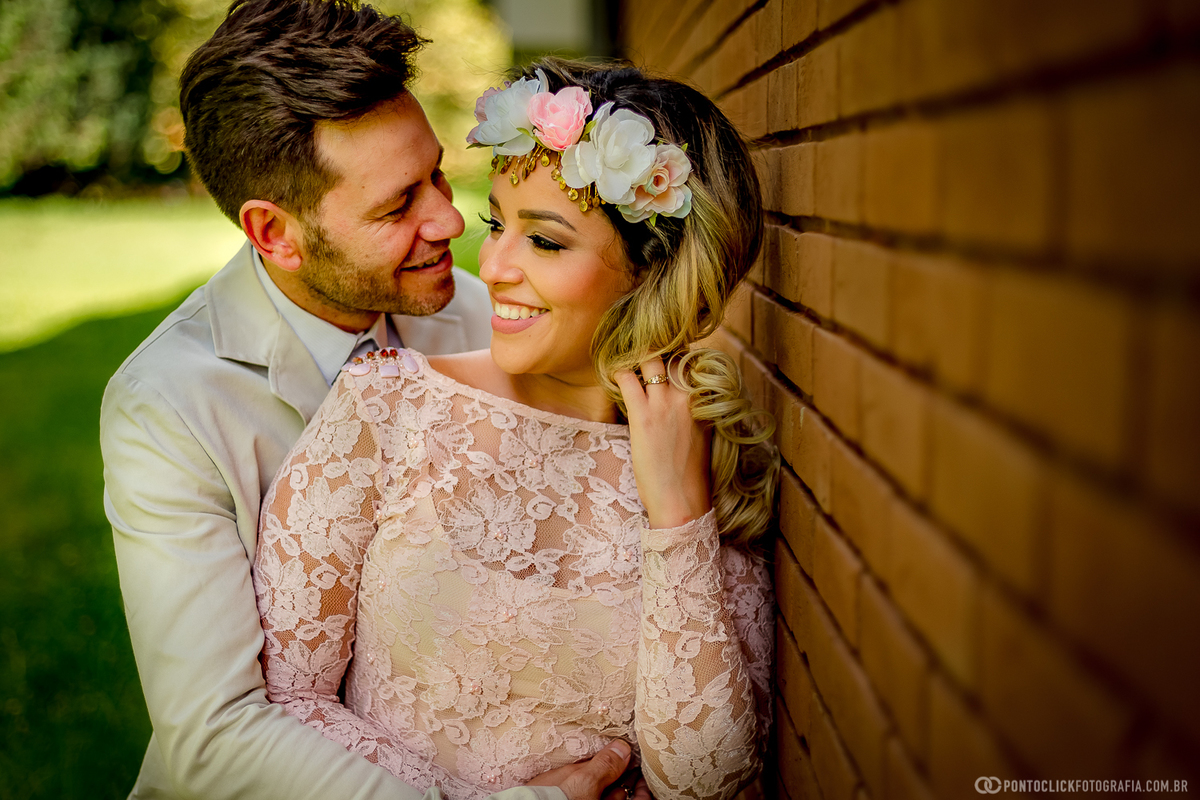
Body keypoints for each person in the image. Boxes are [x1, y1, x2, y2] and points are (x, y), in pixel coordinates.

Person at [101, 1, 641, 798]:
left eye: (435, 175)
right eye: (397, 207)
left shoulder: (492, 318)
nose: (451, 220)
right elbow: (215, 735)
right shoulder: (169, 407)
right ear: (273, 233)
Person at [253, 58, 780, 800]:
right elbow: (293, 703)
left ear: (649, 270)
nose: (491, 263)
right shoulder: (386, 407)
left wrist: (677, 518)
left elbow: (706, 785)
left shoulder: (705, 458)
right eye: (499, 223)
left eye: (546, 241)